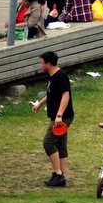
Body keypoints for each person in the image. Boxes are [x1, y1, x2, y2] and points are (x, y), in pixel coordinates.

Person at [32, 51, 73, 187]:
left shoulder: (61, 76)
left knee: (48, 142)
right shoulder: (52, 76)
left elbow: (65, 96)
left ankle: (58, 174)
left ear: (49, 64)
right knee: (60, 145)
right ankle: (61, 176)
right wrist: (40, 103)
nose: (40, 65)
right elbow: (51, 94)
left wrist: (59, 115)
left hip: (63, 117)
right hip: (58, 117)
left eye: (42, 63)